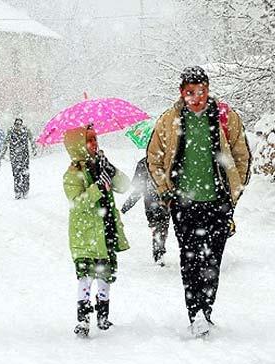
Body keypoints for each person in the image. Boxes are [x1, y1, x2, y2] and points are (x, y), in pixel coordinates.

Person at [146, 66, 251, 337]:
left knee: (213, 259)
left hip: (217, 202)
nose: (197, 97)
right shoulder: (170, 120)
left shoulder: (224, 117)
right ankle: (195, 313)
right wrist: (165, 189)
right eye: (191, 92)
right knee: (190, 259)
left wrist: (233, 190)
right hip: (183, 204)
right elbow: (154, 158)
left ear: (208, 90)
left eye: (202, 91)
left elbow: (241, 153)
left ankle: (207, 309)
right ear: (182, 93)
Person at [62, 125, 131, 337]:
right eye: (89, 140)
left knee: (105, 275)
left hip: (106, 228)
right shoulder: (72, 174)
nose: (94, 143)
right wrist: (97, 189)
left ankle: (103, 316)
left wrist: (110, 170)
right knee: (85, 276)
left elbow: (124, 185)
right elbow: (77, 202)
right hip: (86, 234)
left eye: (95, 139)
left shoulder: (101, 166)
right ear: (78, 146)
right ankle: (83, 319)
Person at [120, 156, 170, 266]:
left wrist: (126, 207)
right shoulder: (167, 161)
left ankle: (158, 251)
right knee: (161, 227)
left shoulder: (143, 163)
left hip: (152, 204)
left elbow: (138, 190)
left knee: (158, 227)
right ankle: (159, 252)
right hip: (162, 203)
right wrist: (126, 207)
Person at [1, 118, 36, 199]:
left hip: (24, 156)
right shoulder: (10, 131)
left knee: (25, 173)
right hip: (14, 156)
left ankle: (25, 190)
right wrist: (3, 153)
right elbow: (5, 142)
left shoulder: (26, 130)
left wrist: (34, 148)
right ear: (14, 124)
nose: (18, 126)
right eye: (17, 124)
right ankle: (17, 191)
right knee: (16, 174)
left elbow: (31, 139)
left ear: (22, 124)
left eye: (19, 124)